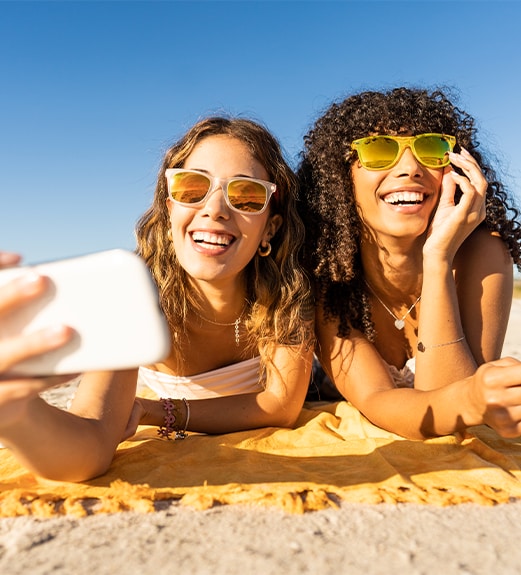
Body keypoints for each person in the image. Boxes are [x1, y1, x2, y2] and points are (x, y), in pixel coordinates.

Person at [0, 117, 314, 481]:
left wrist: (156, 411)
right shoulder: (133, 301)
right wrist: (18, 413)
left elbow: (281, 407)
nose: (215, 209)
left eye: (246, 195)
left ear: (269, 228)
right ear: (169, 210)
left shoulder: (287, 294)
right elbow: (91, 444)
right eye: (192, 188)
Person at [298, 86, 521, 438]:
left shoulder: (483, 256)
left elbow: (454, 409)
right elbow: (382, 400)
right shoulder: (329, 275)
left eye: (432, 149)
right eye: (378, 151)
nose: (410, 168)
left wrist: (437, 257)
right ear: (340, 177)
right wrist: (470, 399)